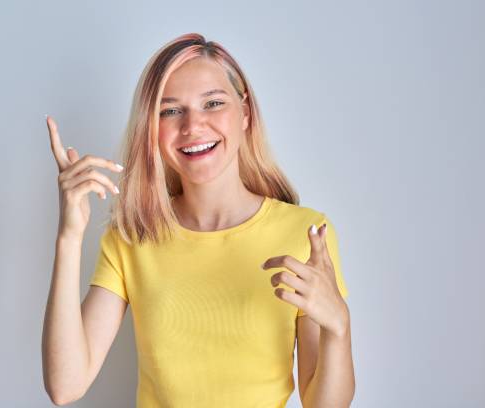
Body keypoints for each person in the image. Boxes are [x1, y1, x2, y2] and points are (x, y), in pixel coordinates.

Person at [41, 33, 354, 407]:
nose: (193, 126)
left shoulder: (306, 234)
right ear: (151, 129)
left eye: (213, 103)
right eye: (171, 110)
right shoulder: (132, 236)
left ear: (245, 113)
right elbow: (65, 385)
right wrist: (69, 237)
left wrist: (339, 326)